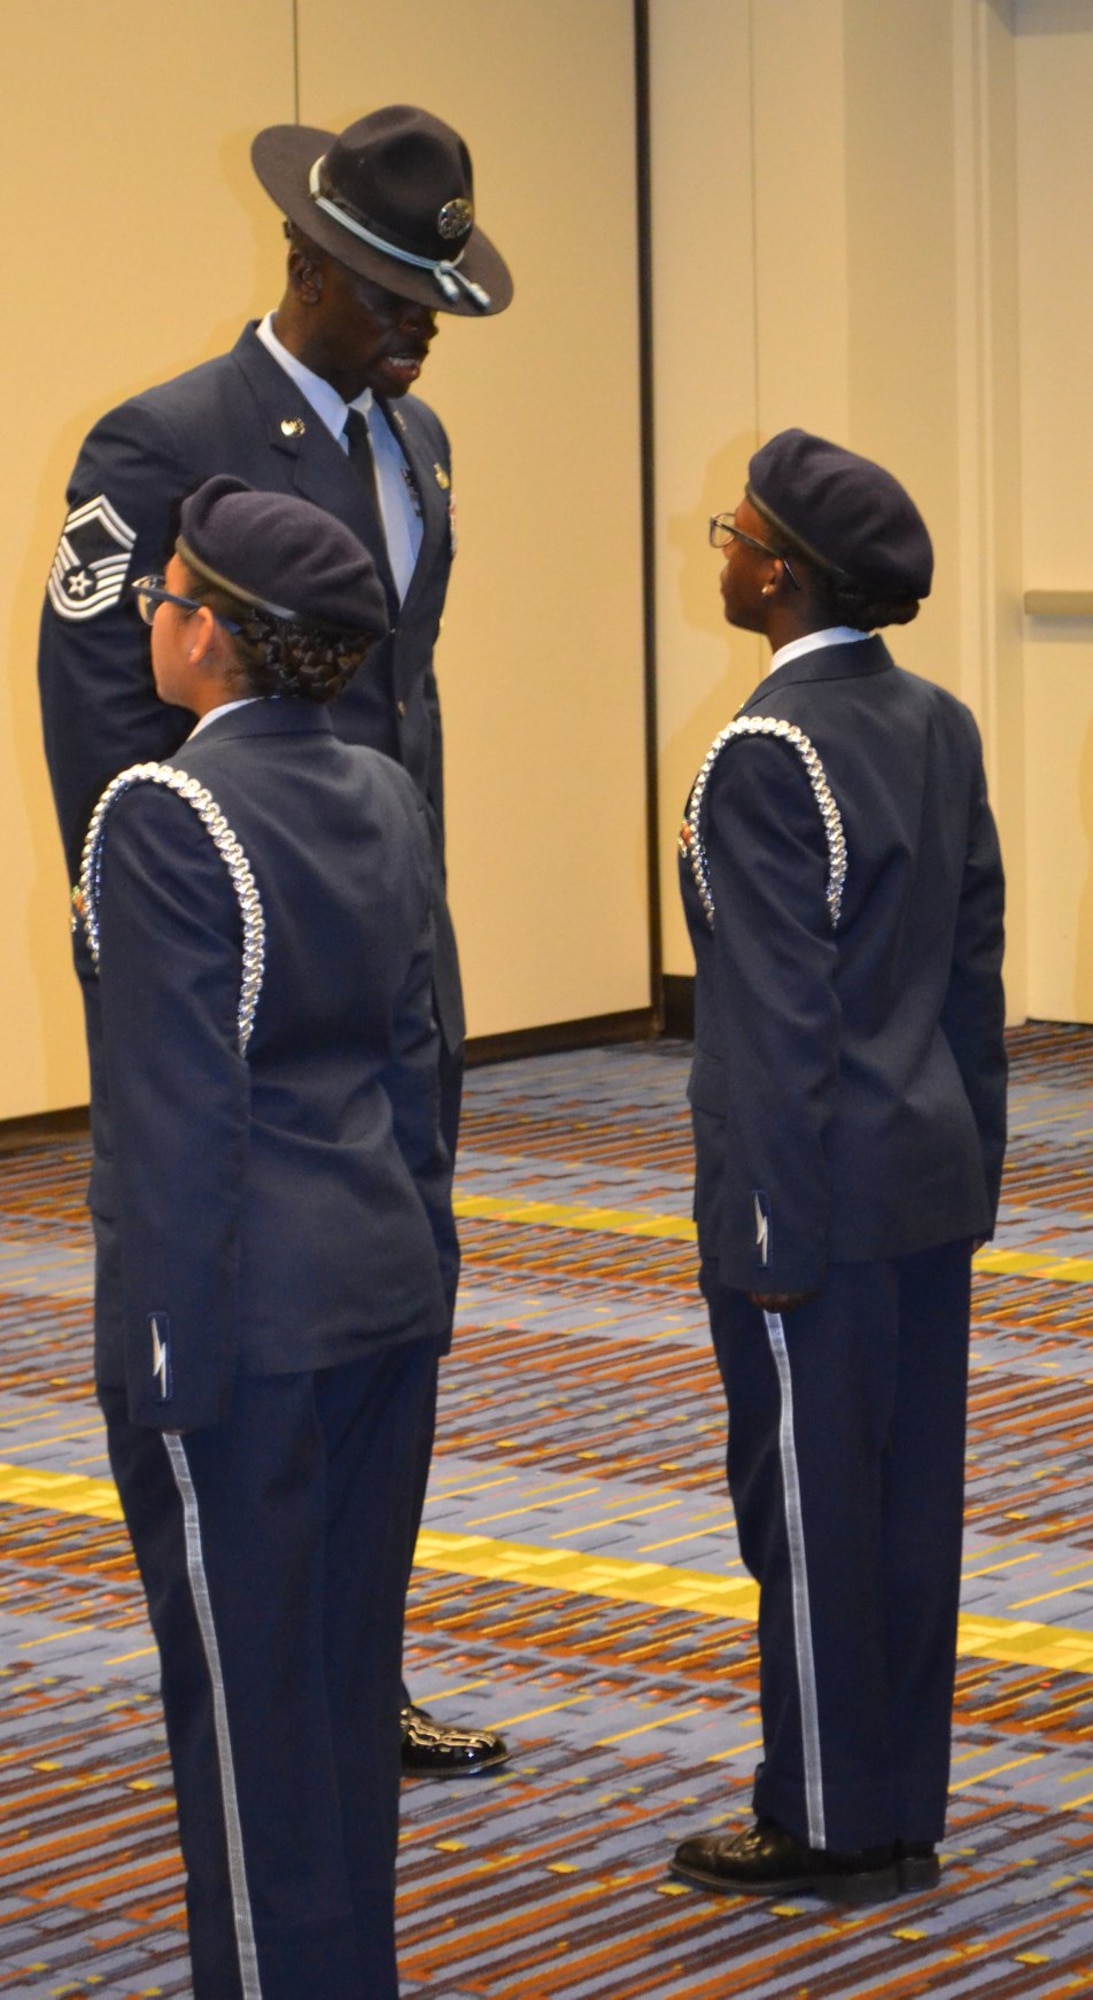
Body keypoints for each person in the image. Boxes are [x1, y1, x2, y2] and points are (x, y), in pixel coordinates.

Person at [39, 103, 514, 1776]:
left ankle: (353, 1670)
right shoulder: (164, 439)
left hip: (390, 958)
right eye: (393, 290)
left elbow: (404, 703)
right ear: (306, 264)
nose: (419, 326)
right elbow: (99, 715)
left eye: (437, 297)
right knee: (257, 1326)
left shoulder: (419, 449)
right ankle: (265, 1671)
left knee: (394, 1308)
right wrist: (152, 948)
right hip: (225, 973)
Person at [81, 475, 458, 1998]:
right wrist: (420, 1264)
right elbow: (420, 1059)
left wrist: (164, 1366)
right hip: (380, 1290)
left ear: (215, 641)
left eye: (166, 593)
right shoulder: (382, 788)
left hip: (235, 1329)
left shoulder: (163, 811)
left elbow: (177, 1123)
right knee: (339, 1685)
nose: (150, 612)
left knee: (244, 1715)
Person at [672, 429, 1006, 1903]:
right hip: (923, 1175)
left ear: (778, 576)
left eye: (729, 533)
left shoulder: (764, 749)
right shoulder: (934, 720)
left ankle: (820, 1823)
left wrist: (759, 1236)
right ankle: (899, 1801)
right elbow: (968, 975)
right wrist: (968, 1160)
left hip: (807, 1196)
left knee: (806, 1517)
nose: (722, 550)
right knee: (903, 1508)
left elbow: (767, 1025)